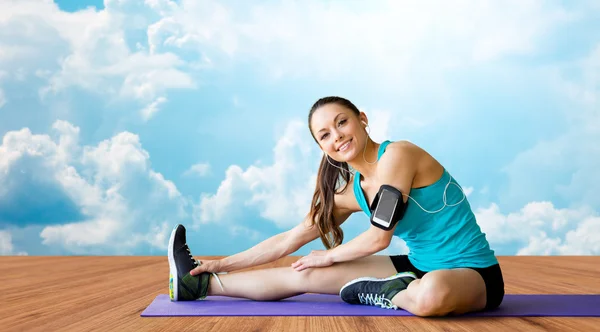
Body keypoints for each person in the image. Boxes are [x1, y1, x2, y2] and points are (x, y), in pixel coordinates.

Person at [167, 96, 504, 317]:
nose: (337, 136)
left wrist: (328, 255)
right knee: (305, 273)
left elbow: (378, 237)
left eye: (342, 123)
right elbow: (287, 241)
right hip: (415, 266)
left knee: (431, 296)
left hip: (473, 274)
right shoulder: (349, 194)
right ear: (322, 148)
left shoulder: (399, 155)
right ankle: (197, 285)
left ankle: (390, 292)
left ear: (362, 119)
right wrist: (220, 264)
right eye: (325, 135)